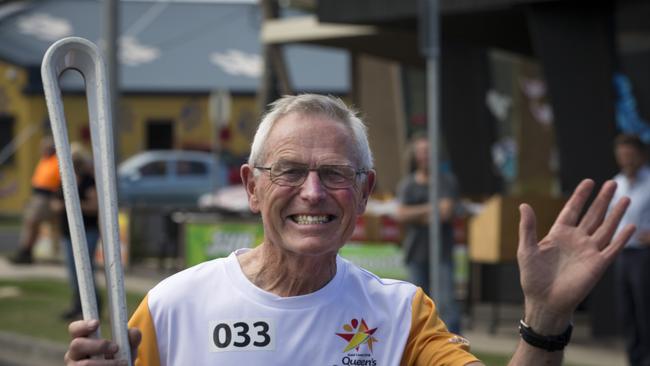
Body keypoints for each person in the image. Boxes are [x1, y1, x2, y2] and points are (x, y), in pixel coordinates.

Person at [64, 94, 635, 366]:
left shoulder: (401, 316)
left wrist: (546, 318)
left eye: (335, 174)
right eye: (289, 170)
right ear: (252, 186)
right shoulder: (173, 307)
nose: (312, 193)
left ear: (364, 192)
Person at [396, 134, 462, 334]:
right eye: (421, 152)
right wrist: (432, 210)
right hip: (416, 253)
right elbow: (401, 214)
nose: (425, 156)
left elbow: (447, 212)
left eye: (428, 152)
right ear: (415, 156)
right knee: (417, 307)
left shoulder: (446, 181)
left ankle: (454, 354)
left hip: (441, 254)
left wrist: (416, 213)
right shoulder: (408, 185)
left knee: (447, 306)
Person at [610, 134, 650, 366]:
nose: (626, 161)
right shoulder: (617, 184)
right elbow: (609, 219)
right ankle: (634, 360)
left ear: (641, 156)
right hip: (622, 255)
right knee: (627, 311)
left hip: (644, 256)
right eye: (622, 156)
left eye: (630, 155)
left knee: (645, 310)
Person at [52, 143, 101, 320]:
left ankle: (94, 306)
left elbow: (93, 206)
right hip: (68, 233)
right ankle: (78, 306)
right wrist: (65, 205)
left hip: (87, 231)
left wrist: (72, 204)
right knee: (74, 272)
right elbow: (55, 203)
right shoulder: (65, 179)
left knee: (86, 270)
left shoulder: (88, 180)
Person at [10, 136, 61, 264]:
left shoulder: (56, 161)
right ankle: (26, 252)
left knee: (32, 223)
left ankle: (25, 252)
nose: (42, 149)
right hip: (38, 196)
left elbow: (58, 182)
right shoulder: (45, 160)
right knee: (31, 225)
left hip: (47, 197)